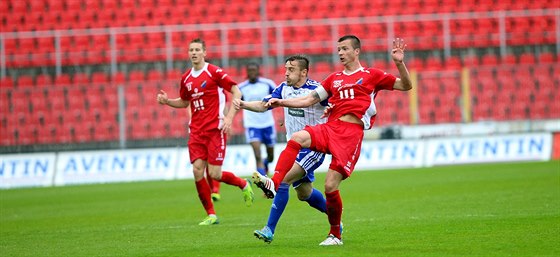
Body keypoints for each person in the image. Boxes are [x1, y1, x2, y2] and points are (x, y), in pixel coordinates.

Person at [255, 35, 412, 245]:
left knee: (330, 186)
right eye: (338, 49)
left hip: (351, 134)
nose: (340, 53)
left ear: (356, 51)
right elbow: (309, 99)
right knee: (298, 137)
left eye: (345, 48)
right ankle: (274, 183)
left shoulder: (372, 75)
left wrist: (399, 63)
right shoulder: (333, 78)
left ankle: (335, 235)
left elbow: (405, 85)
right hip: (331, 127)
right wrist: (281, 102)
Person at [234, 55, 331, 243]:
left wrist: (331, 114)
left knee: (284, 180)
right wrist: (243, 105)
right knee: (304, 193)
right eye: (286, 69)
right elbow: (264, 105)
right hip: (293, 149)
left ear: (303, 72)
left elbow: (336, 108)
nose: (286, 73)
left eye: (291, 69)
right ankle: (335, 216)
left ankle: (269, 229)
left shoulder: (318, 90)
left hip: (313, 147)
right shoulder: (283, 88)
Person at [157, 38, 254, 225]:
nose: (193, 53)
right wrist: (167, 101)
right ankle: (211, 214)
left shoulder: (214, 72)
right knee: (197, 170)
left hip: (214, 130)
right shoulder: (185, 78)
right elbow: (185, 102)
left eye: (197, 49)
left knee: (215, 174)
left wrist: (229, 118)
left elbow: (236, 92)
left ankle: (243, 183)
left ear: (204, 52)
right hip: (196, 131)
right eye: (191, 50)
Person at [238, 63, 277, 176]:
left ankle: (266, 163)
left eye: (254, 70)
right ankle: (265, 184)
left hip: (268, 124)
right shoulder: (241, 87)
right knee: (257, 155)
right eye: (250, 70)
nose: (252, 72)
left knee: (270, 157)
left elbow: (278, 99)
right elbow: (237, 105)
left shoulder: (268, 84)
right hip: (252, 125)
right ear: (247, 72)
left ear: (258, 71)